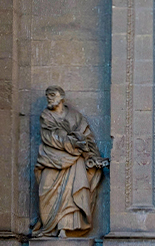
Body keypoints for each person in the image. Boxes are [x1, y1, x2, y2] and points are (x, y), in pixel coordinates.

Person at [32, 86, 107, 237]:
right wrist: (71, 142)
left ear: (62, 96)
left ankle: (64, 228)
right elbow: (49, 136)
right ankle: (49, 227)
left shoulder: (75, 116)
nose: (49, 98)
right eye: (48, 96)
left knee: (72, 193)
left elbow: (87, 138)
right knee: (46, 188)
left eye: (53, 95)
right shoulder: (46, 116)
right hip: (51, 158)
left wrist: (91, 155)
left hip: (74, 161)